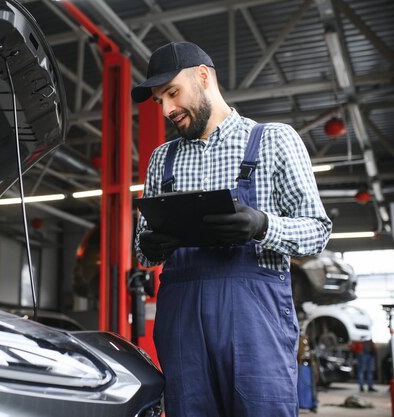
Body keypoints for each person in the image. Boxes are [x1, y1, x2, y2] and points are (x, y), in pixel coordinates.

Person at [131, 42, 332, 417]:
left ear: (204, 77)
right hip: (182, 320)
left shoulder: (273, 139)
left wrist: (262, 225)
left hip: (254, 318)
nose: (168, 110)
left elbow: (318, 231)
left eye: (172, 93)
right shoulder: (162, 159)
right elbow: (142, 253)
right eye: (160, 102)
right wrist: (150, 245)